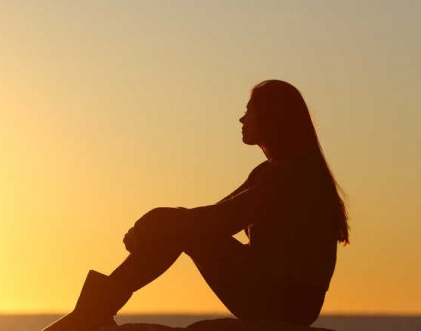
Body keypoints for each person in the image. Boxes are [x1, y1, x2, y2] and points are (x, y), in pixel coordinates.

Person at [41, 80, 350, 331]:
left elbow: (217, 222)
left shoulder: (295, 175)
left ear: (272, 117)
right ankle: (93, 309)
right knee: (182, 228)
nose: (242, 119)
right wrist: (163, 224)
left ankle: (92, 310)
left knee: (183, 229)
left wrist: (157, 221)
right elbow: (213, 215)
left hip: (286, 301)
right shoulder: (271, 172)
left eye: (249, 111)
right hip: (273, 292)